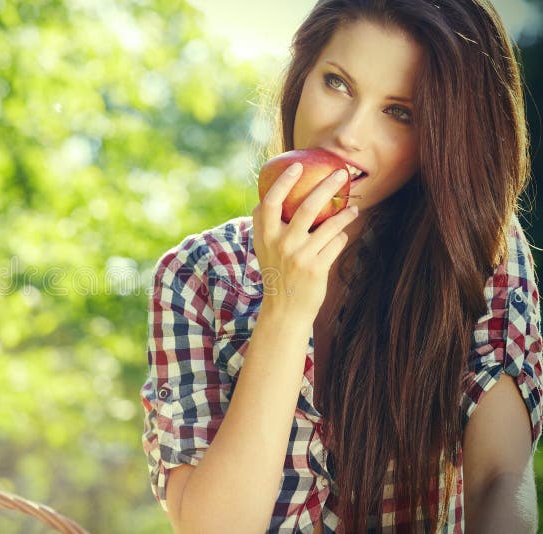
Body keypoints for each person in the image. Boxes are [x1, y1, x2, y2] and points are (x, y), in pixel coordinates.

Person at [139, 0, 542, 532]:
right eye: (337, 83)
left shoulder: (472, 254)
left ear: (440, 139)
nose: (348, 134)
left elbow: (498, 481)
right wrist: (285, 306)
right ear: (302, 75)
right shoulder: (198, 273)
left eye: (400, 112)